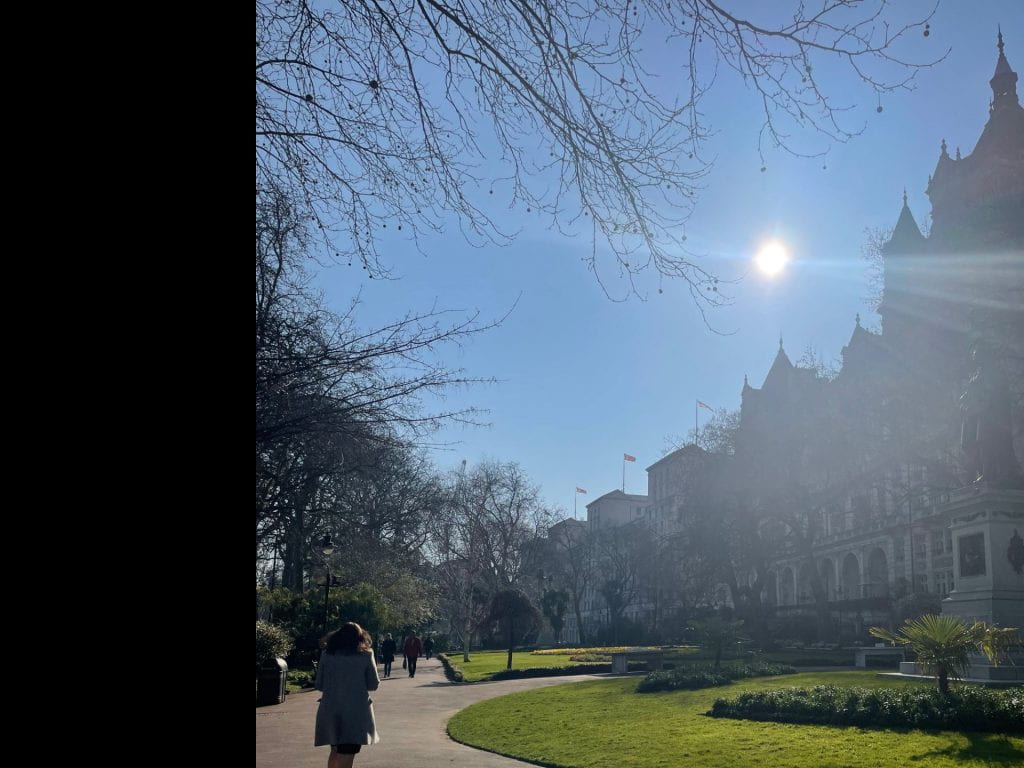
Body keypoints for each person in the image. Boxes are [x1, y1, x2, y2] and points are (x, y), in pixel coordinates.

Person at [314, 622, 380, 768]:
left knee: (335, 750)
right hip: (356, 711)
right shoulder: (366, 655)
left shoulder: (327, 654)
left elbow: (319, 684)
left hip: (330, 709)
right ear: (360, 637)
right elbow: (373, 684)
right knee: (347, 752)